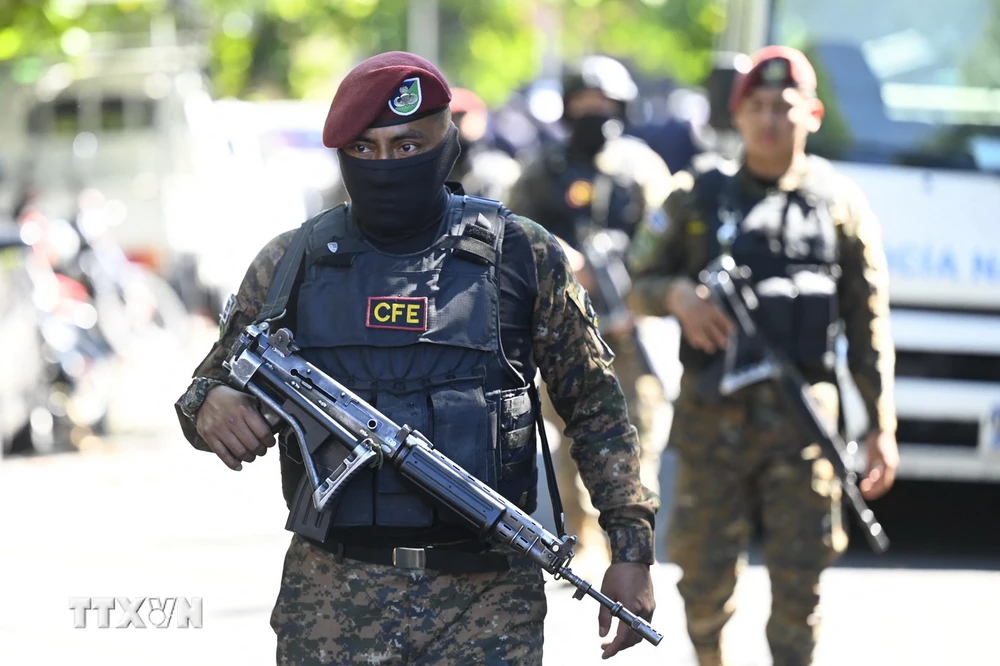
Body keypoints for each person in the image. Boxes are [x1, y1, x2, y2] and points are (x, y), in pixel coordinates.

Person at [174, 51, 657, 665]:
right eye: (365, 150)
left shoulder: (520, 255)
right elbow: (208, 383)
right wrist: (211, 405)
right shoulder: (293, 262)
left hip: (488, 603)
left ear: (448, 143)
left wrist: (631, 547)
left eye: (407, 146)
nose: (385, 164)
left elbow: (595, 406)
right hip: (331, 598)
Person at [628, 46, 899, 666]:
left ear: (813, 114)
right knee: (701, 578)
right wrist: (678, 295)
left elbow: (868, 325)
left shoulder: (840, 205)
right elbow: (637, 283)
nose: (770, 119)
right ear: (737, 114)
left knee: (800, 583)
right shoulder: (696, 195)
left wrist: (880, 426)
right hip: (710, 427)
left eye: (784, 106)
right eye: (757, 107)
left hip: (803, 429)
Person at [507, 54, 672, 575]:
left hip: (628, 327)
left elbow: (666, 241)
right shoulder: (543, 171)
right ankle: (583, 539)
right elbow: (513, 237)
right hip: (563, 332)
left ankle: (634, 545)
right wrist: (560, 258)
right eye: (583, 103)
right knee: (572, 437)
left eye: (603, 104)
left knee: (638, 437)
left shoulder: (643, 169)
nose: (593, 112)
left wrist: (629, 281)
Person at [448, 87, 523, 201]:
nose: (455, 124)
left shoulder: (496, 164)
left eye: (460, 116)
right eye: (449, 118)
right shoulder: (441, 160)